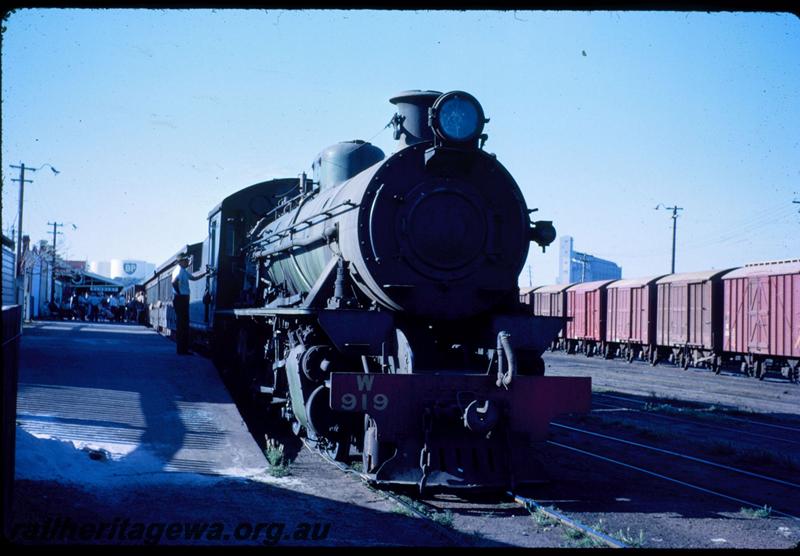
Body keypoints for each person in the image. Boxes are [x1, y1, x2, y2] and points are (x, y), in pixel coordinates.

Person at [171, 254, 213, 355]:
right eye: (185, 260)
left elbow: (193, 278)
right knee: (182, 325)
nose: (187, 262)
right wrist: (179, 293)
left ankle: (183, 350)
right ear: (181, 261)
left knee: (184, 325)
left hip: (183, 298)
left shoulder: (183, 271)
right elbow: (173, 282)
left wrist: (205, 273)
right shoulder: (178, 270)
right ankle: (181, 350)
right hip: (180, 299)